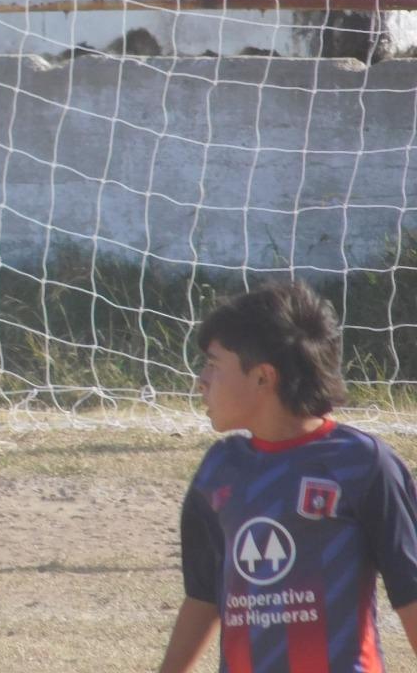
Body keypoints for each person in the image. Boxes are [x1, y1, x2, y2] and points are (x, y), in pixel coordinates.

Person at [157, 280, 417, 673]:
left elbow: (410, 593)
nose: (201, 380)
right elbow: (202, 596)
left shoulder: (362, 464)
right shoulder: (219, 470)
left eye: (213, 364)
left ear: (263, 377)